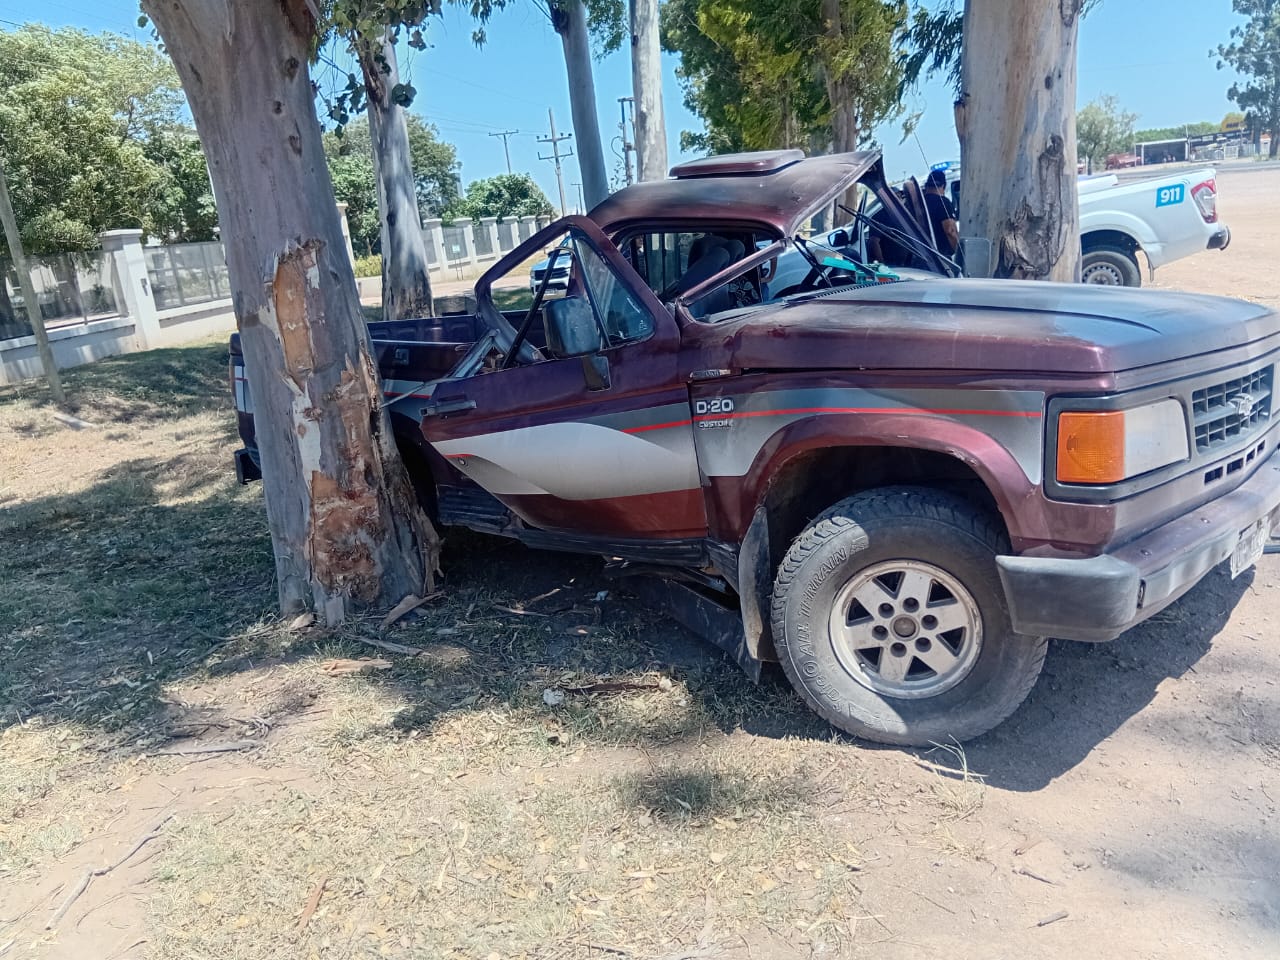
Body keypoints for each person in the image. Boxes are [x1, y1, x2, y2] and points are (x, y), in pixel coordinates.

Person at [923, 169, 960, 257]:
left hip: (924, 255)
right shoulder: (943, 202)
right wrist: (960, 254)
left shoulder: (920, 203)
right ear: (943, 186)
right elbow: (950, 231)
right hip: (942, 258)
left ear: (927, 185)